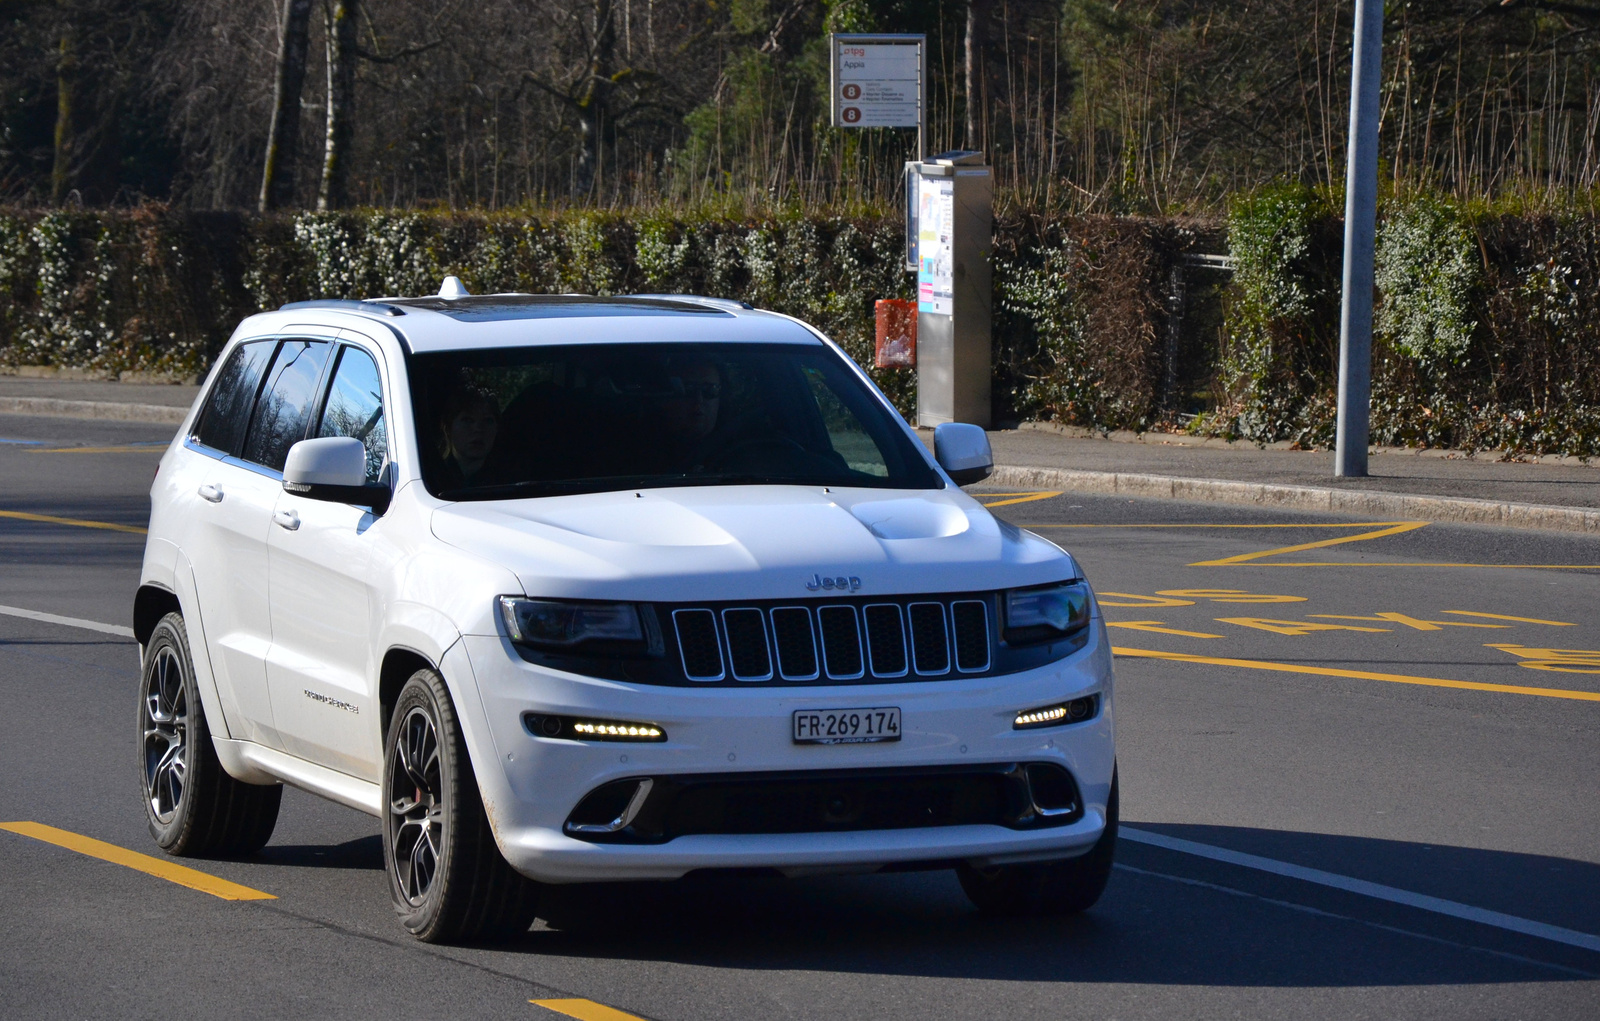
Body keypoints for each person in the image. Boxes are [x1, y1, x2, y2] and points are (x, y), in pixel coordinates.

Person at [437, 383, 499, 488]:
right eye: (468, 420)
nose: (478, 429)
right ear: (448, 428)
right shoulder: (430, 479)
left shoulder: (510, 480)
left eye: (487, 420)